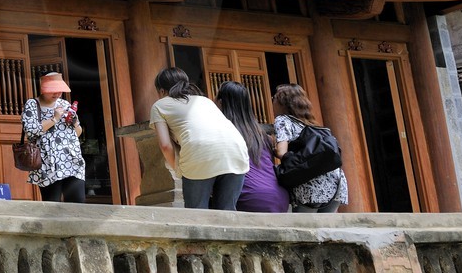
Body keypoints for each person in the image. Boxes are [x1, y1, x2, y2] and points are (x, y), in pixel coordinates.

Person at [149, 67, 250, 210]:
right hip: (236, 150)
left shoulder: (159, 105)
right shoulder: (205, 100)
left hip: (199, 154)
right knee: (227, 213)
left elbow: (165, 145)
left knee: (197, 214)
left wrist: (178, 169)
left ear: (161, 91)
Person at [272, 83, 349, 213]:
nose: (272, 100)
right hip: (336, 185)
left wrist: (269, 148)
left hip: (310, 186)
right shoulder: (314, 125)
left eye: (274, 97)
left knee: (304, 230)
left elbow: (281, 152)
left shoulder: (283, 120)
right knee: (327, 231)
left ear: (281, 102)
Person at [215, 81, 290, 213]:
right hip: (280, 197)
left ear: (221, 103)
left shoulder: (223, 132)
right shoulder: (262, 135)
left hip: (250, 197)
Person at [21, 72, 89, 203]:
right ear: (43, 89)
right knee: (52, 205)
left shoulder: (65, 104)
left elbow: (77, 133)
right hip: (48, 163)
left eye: (59, 91)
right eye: (53, 90)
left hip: (72, 161)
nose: (57, 94)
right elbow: (30, 132)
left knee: (78, 204)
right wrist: (55, 118)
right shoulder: (32, 104)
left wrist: (75, 122)